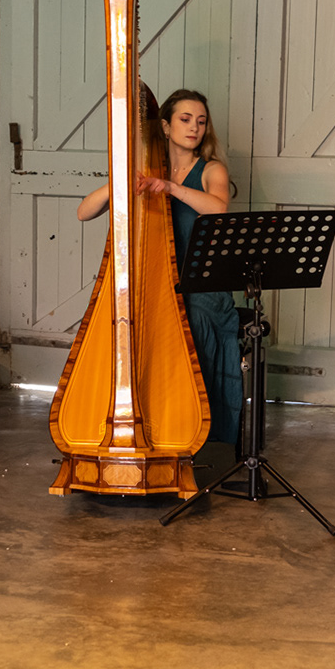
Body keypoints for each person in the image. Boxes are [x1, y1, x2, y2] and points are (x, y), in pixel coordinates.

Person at [74, 87, 241, 447]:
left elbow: (218, 208)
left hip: (200, 287)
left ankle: (191, 426)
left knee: (190, 317)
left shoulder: (212, 169)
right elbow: (83, 212)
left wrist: (170, 188)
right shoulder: (145, 168)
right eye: (185, 119)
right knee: (122, 319)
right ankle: (137, 419)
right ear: (164, 126)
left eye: (200, 121)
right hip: (155, 280)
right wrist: (119, 183)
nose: (194, 127)